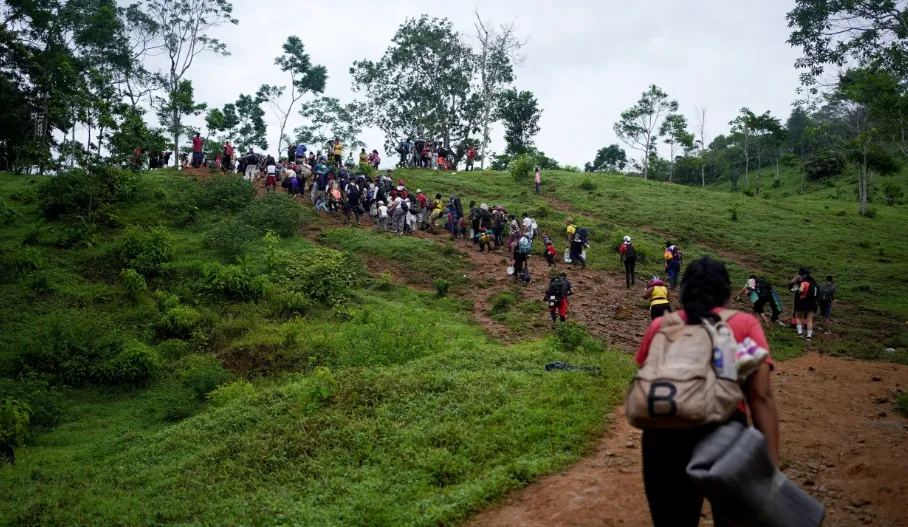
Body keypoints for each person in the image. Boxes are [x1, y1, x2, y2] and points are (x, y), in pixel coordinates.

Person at [635, 258, 779, 527]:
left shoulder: (660, 326)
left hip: (663, 436)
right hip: (725, 436)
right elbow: (760, 396)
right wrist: (770, 467)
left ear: (684, 290)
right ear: (726, 291)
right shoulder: (744, 324)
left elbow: (646, 379)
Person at [792, 267, 818, 341]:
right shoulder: (815, 285)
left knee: (798, 317)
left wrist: (799, 291)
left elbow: (800, 290)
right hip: (813, 303)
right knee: (810, 320)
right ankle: (809, 337)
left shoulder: (804, 283)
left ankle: (800, 333)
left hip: (803, 302)